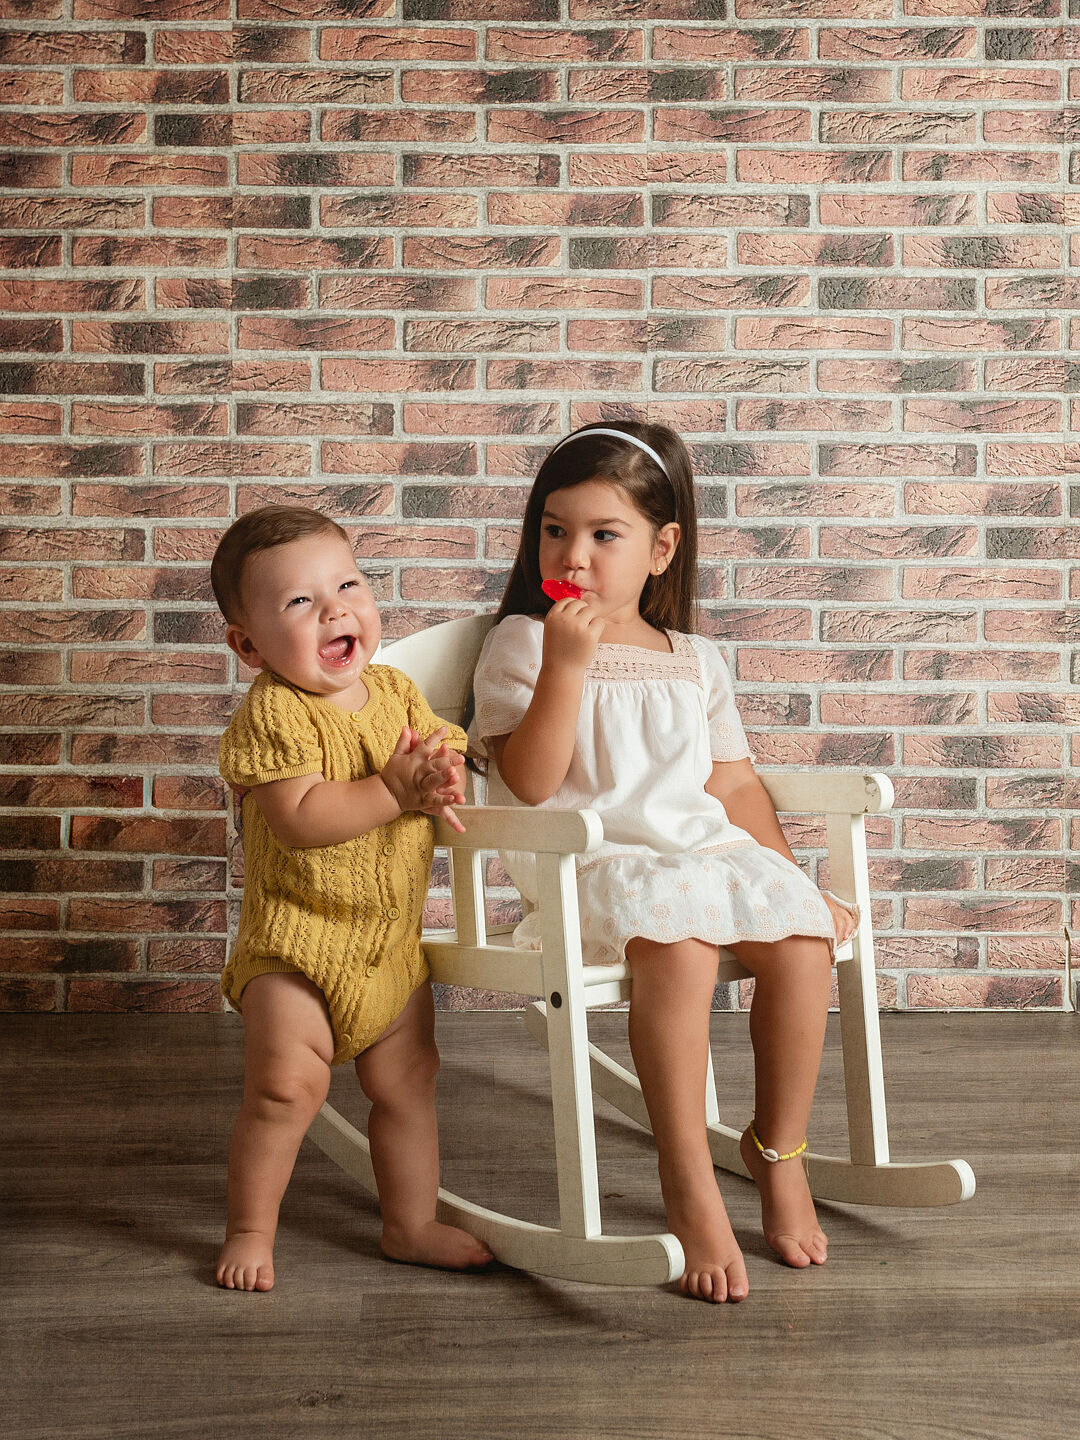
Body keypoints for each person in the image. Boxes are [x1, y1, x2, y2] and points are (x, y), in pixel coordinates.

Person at [470, 422, 859, 1304]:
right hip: (591, 860)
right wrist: (567, 667)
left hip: (698, 854)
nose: (575, 554)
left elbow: (734, 787)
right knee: (678, 946)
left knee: (802, 945)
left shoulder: (694, 660)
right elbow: (528, 784)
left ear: (661, 547)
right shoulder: (525, 646)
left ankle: (776, 1150)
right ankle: (688, 1178)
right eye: (555, 529)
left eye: (605, 535)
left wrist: (793, 880)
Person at [210, 505, 492, 1291]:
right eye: (300, 602)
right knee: (283, 1090)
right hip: (295, 949)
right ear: (249, 644)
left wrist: (442, 769)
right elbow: (301, 819)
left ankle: (409, 1224)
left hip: (390, 950)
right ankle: (250, 1228)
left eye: (348, 584)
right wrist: (394, 788)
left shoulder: (397, 692)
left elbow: (445, 745)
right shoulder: (275, 711)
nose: (336, 608)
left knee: (407, 1085)